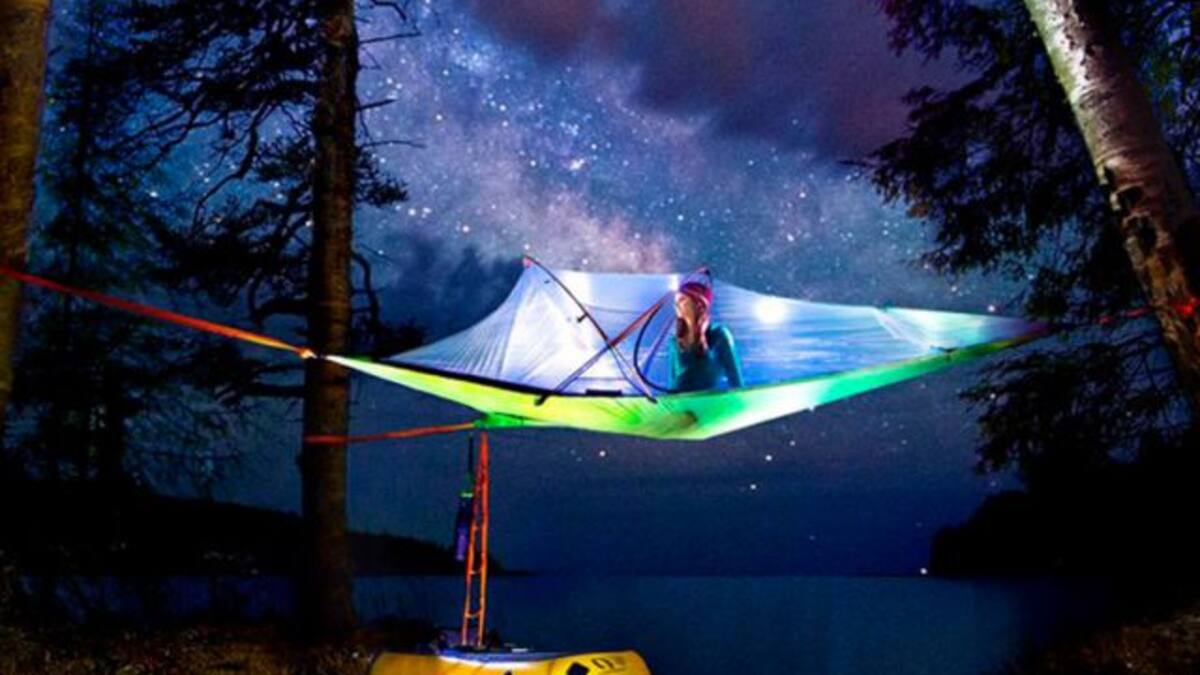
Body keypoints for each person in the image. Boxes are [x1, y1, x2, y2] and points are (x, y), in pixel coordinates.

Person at [669, 281, 744, 392]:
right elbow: (672, 380)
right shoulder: (675, 340)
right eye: (676, 302)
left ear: (698, 303)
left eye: (682, 300)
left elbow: (735, 379)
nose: (677, 306)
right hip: (680, 399)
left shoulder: (719, 335)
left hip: (707, 399)